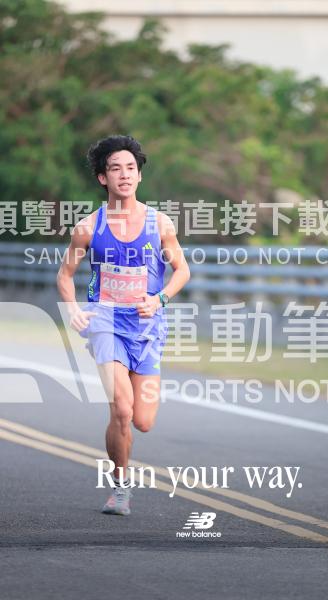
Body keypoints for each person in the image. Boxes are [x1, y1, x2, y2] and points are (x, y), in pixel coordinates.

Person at [57, 135, 190, 515]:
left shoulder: (159, 223)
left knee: (143, 421)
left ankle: (122, 453)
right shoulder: (87, 227)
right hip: (105, 322)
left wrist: (160, 298)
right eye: (116, 168)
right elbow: (65, 275)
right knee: (122, 411)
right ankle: (120, 489)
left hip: (147, 326)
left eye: (131, 168)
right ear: (103, 178)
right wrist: (73, 310)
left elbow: (182, 270)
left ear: (139, 175)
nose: (125, 175)